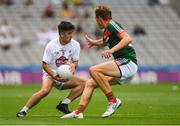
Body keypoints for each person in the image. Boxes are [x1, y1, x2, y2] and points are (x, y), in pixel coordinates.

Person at [61, 5, 138, 119]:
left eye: (96, 20)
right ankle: (78, 112)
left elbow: (127, 38)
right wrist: (94, 42)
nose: (97, 23)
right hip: (123, 65)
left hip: (128, 62)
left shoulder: (112, 25)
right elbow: (104, 41)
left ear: (99, 19)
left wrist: (111, 50)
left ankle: (113, 101)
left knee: (94, 70)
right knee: (90, 83)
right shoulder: (108, 31)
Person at [16, 21, 86, 117]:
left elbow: (75, 61)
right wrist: (54, 76)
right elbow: (45, 64)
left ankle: (64, 104)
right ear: (62, 33)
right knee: (45, 91)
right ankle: (24, 110)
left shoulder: (76, 45)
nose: (71, 36)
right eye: (69, 33)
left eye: (71, 33)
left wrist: (74, 65)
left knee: (84, 83)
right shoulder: (51, 45)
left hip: (64, 75)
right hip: (50, 74)